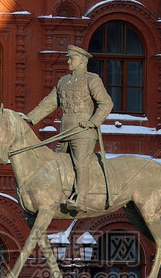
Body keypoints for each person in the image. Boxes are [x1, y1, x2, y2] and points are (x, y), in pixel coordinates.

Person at [22, 44, 113, 213]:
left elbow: (106, 103)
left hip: (83, 130)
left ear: (83, 61)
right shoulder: (63, 81)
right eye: (68, 58)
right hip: (65, 130)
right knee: (57, 162)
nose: (68, 61)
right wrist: (30, 117)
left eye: (72, 58)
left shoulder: (91, 80)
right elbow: (49, 103)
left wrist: (93, 122)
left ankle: (80, 199)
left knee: (80, 163)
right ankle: (59, 194)